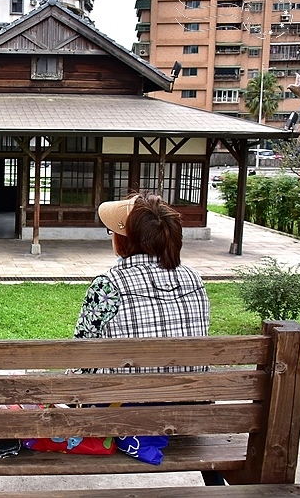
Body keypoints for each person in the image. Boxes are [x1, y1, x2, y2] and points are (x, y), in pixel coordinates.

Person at [74, 192, 223, 485]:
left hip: (127, 413)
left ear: (125, 240)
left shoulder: (109, 284)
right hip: (189, 409)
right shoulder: (195, 279)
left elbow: (82, 358)